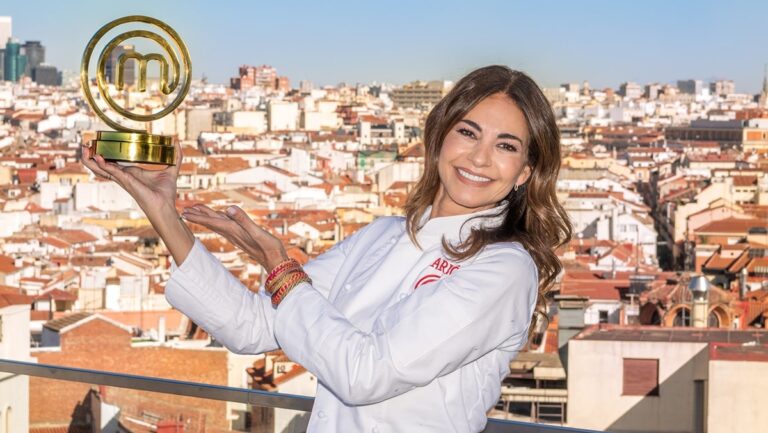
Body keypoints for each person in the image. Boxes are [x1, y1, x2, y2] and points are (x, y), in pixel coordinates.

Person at [82, 65, 572, 433]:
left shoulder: (505, 268)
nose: (480, 158)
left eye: (506, 146)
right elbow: (254, 326)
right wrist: (162, 210)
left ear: (525, 172)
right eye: (468, 132)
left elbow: (366, 375)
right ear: (439, 137)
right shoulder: (382, 235)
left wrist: (279, 265)